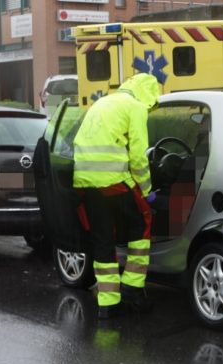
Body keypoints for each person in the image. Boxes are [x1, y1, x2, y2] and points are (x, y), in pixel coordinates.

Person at [73, 73, 161, 319]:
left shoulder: (102, 102)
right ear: (147, 95)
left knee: (103, 239)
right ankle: (133, 289)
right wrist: (147, 191)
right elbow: (138, 157)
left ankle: (108, 304)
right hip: (113, 180)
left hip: (85, 181)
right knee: (142, 223)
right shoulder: (135, 107)